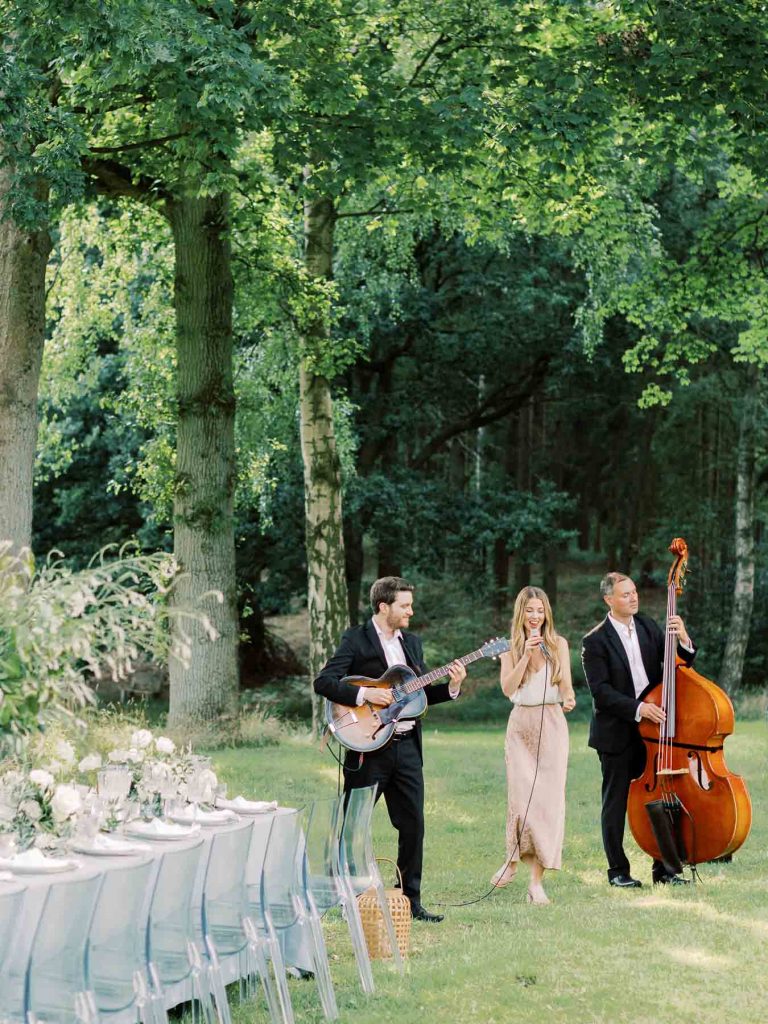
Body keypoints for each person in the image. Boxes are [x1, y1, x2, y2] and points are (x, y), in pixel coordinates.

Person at [314, 576, 466, 923]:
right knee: (354, 826)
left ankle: (410, 901)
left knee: (413, 825)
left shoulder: (412, 643)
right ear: (384, 607)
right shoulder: (356, 639)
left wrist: (453, 687)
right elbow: (324, 682)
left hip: (408, 748)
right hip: (368, 748)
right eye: (405, 606)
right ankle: (350, 898)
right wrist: (365, 694)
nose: (411, 611)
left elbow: (418, 697)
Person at [581, 571, 696, 888]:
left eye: (634, 592)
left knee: (659, 798)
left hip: (653, 733)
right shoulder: (594, 641)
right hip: (616, 733)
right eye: (625, 594)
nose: (633, 597)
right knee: (615, 803)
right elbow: (601, 693)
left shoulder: (647, 625)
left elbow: (676, 666)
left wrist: (683, 639)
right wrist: (639, 708)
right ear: (609, 599)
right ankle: (618, 871)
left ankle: (665, 870)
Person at [491, 586, 576, 905]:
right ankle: (511, 861)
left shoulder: (558, 644)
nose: (535, 616)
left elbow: (566, 686)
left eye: (540, 610)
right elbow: (507, 688)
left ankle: (536, 883)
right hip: (521, 725)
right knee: (521, 799)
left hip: (552, 724)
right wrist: (526, 654)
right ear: (521, 614)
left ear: (547, 614)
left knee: (548, 804)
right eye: (529, 610)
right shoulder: (509, 648)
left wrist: (568, 698)